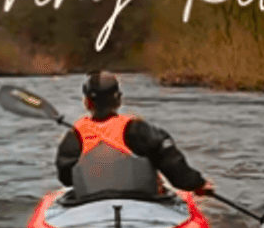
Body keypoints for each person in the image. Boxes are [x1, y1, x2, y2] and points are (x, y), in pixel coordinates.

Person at [55, 71, 214, 207]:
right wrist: (197, 184)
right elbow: (172, 163)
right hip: (142, 202)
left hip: (90, 205)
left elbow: (66, 178)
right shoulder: (137, 129)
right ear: (118, 101)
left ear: (87, 103)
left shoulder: (75, 135)